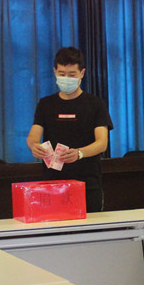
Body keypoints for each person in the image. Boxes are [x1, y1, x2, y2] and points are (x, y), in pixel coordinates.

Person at [26, 47, 113, 213]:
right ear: (55, 72)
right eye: (62, 73)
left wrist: (79, 153)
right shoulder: (46, 104)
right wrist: (34, 146)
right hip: (53, 183)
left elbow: (102, 143)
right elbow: (33, 136)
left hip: (87, 183)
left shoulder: (96, 104)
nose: (66, 78)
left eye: (72, 74)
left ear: (82, 73)